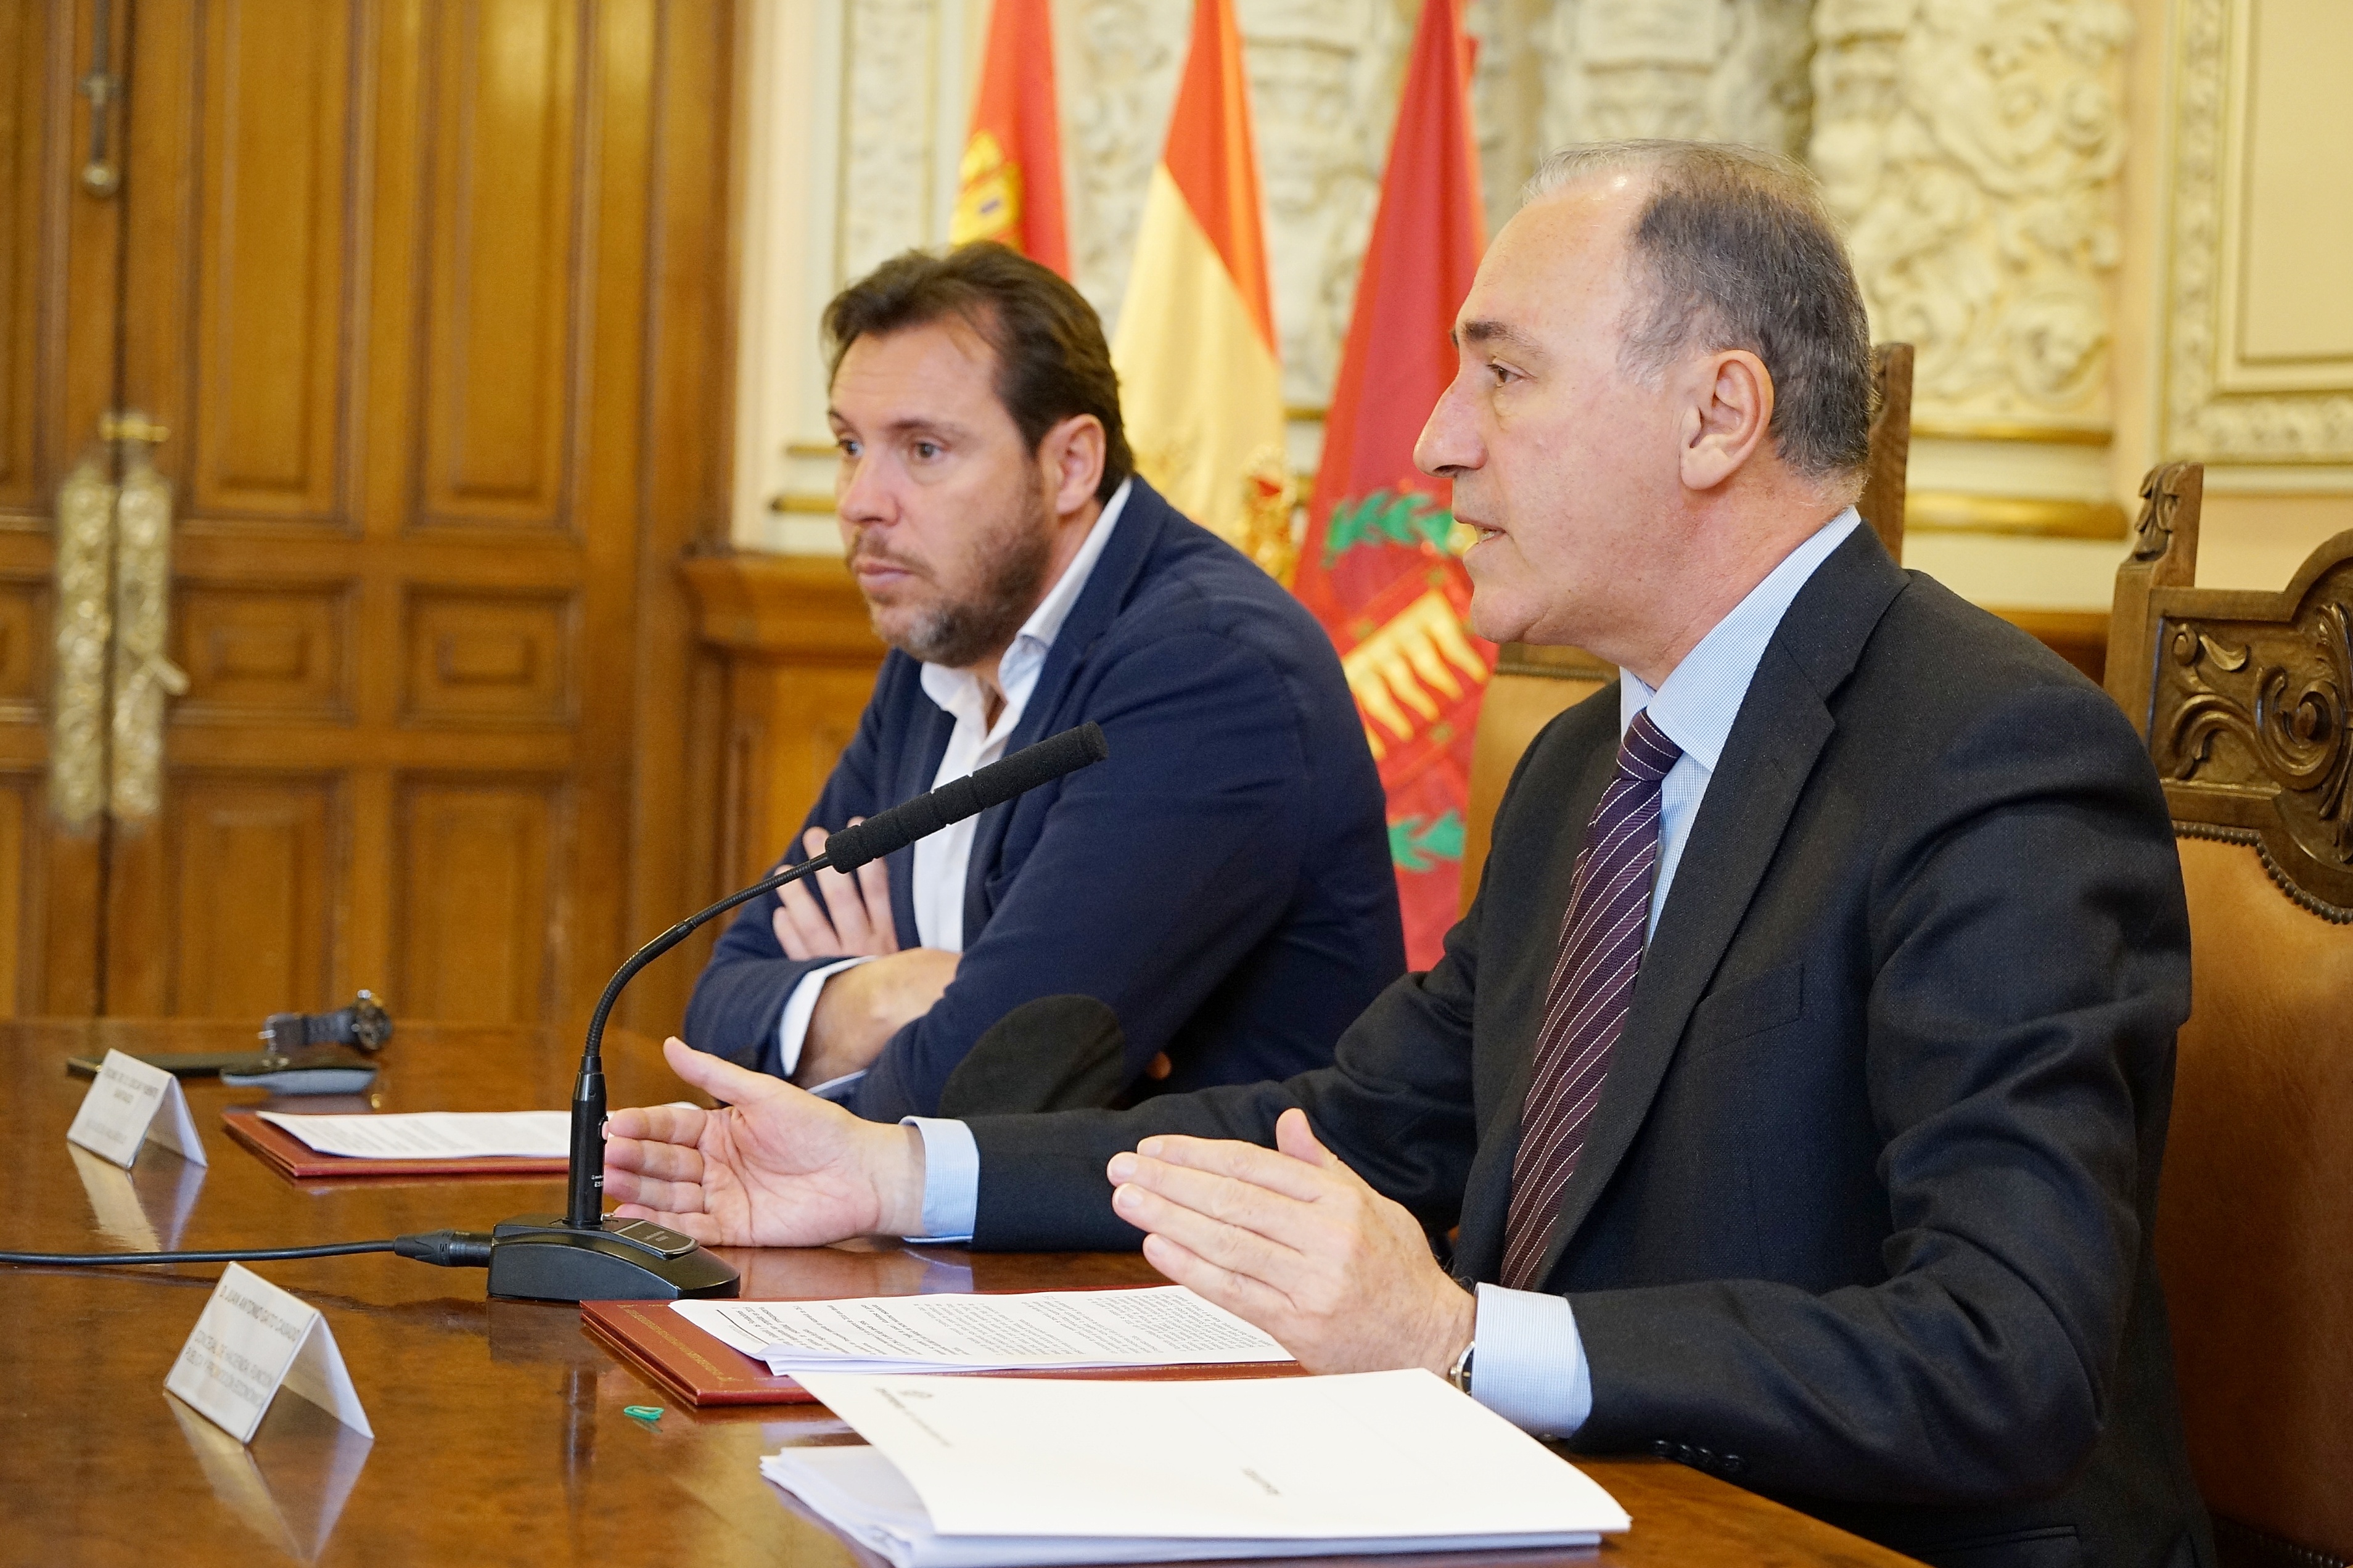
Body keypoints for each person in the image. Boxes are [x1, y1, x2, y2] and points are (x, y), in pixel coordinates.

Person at [616, 144, 2211, 1567]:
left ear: (1718, 415)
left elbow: (2006, 1356)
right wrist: (897, 1171)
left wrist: (1456, 1338)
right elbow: (1355, 1122)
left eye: (1504, 375)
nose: (1437, 442)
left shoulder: (1992, 755)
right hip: (1584, 1508)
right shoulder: (1589, 764)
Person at [684, 243, 1404, 1122]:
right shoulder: (942, 640)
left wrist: (868, 1023)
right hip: (977, 1205)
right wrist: (891, 992)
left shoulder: (1210, 670)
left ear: (1070, 465)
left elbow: (986, 1084)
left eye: (923, 449)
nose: (861, 500)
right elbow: (721, 1006)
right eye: (849, 445)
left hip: (1185, 1212)